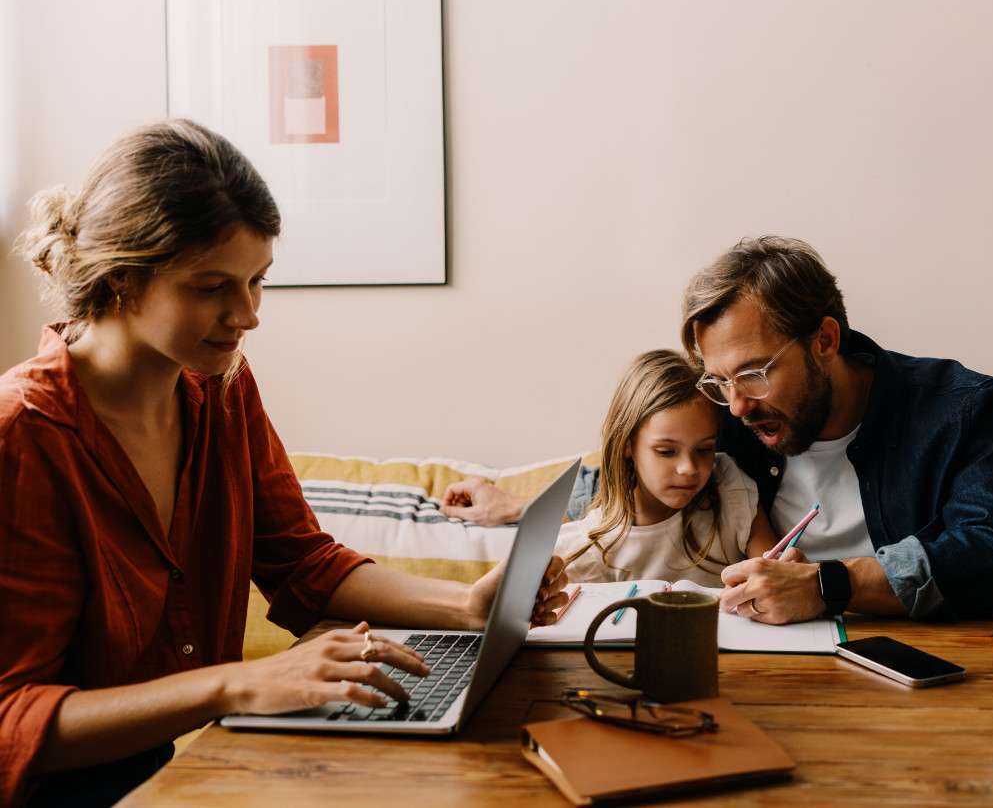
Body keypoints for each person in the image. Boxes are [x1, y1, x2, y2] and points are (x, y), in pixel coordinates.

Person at [0, 120, 567, 808]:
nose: (246, 315)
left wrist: (464, 602)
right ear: (123, 276)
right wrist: (240, 682)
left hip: (184, 767)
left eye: (257, 281)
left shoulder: (223, 389)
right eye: (212, 286)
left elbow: (300, 561)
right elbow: (12, 722)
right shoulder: (23, 435)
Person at [687, 236, 993, 625]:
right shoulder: (722, 417)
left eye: (753, 374)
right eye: (720, 380)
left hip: (926, 661)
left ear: (824, 340)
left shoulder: (963, 410)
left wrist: (826, 585)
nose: (737, 405)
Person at [551, 350, 779, 586]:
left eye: (704, 449)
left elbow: (775, 575)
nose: (689, 468)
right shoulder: (594, 548)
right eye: (666, 452)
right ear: (626, 444)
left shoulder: (729, 486)